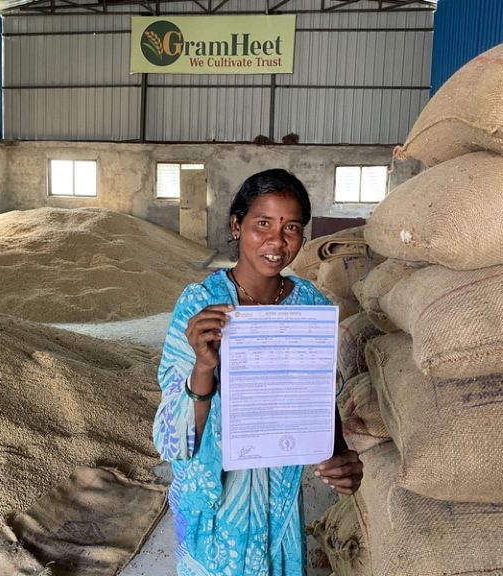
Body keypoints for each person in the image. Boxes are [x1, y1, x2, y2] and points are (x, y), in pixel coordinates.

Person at [153, 168, 363, 576]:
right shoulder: (201, 304)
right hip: (214, 506)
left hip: (278, 500)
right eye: (262, 223)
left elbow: (319, 395)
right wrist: (203, 367)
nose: (276, 240)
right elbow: (172, 440)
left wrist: (337, 455)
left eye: (291, 227)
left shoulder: (311, 307)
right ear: (236, 225)